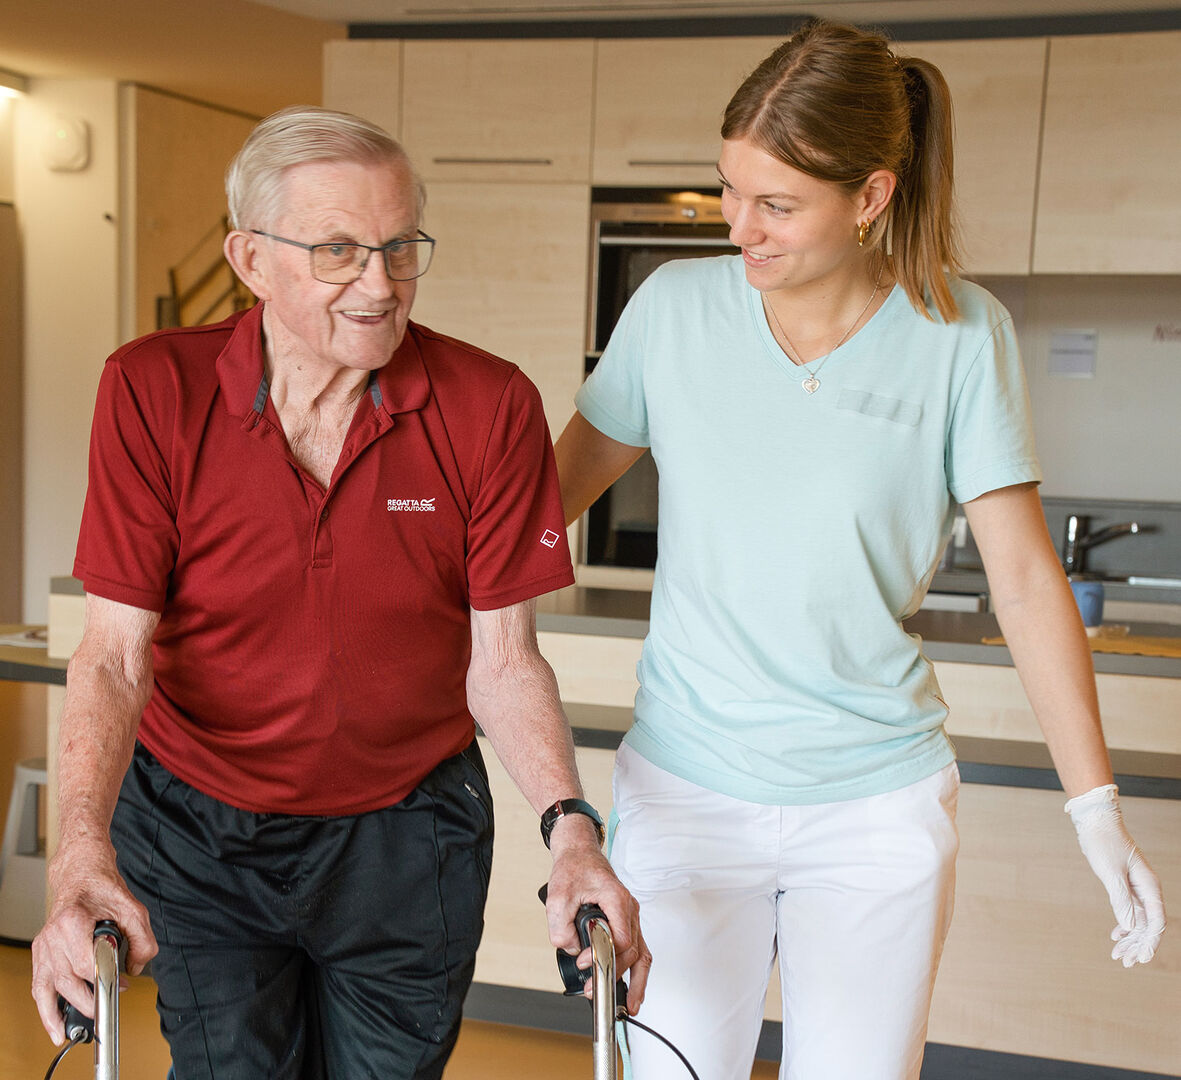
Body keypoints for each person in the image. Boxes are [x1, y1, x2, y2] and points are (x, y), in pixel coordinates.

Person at [554, 20, 1165, 1080]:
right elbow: (535, 505)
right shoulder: (673, 310)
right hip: (685, 792)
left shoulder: (956, 334)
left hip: (875, 805)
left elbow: (1022, 584)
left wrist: (1093, 805)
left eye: (775, 205)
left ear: (870, 197)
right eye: (728, 191)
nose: (738, 228)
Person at [31, 105, 649, 1080]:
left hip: (406, 835)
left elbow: (503, 660)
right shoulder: (153, 391)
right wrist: (78, 852)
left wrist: (570, 832)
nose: (380, 284)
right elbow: (113, 654)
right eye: (338, 251)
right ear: (249, 259)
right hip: (198, 828)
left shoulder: (488, 406)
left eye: (401, 246)